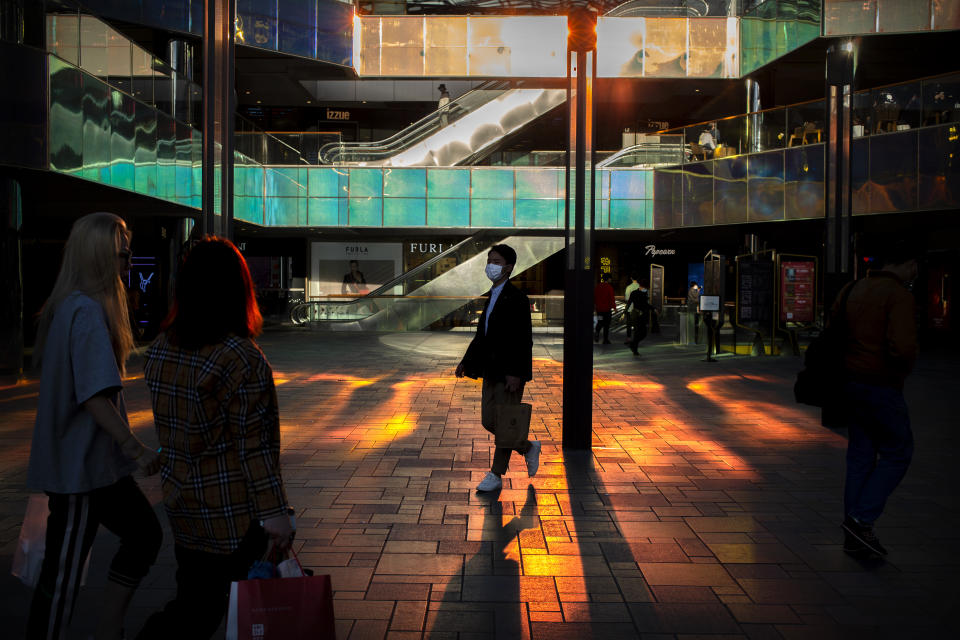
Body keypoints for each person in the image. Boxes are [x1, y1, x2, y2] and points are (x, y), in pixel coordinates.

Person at [138, 237, 292, 639]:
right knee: (203, 613)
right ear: (238, 288)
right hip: (232, 513)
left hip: (183, 503)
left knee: (193, 600)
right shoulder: (241, 358)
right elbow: (255, 449)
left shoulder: (161, 350)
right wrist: (276, 513)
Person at [26, 212, 162, 640]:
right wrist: (135, 448)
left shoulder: (71, 306)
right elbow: (94, 396)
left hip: (96, 469)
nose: (128, 262)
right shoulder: (85, 311)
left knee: (142, 535)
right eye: (123, 254)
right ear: (101, 257)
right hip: (81, 472)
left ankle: (109, 625)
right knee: (62, 576)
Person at [835, 243, 919, 557]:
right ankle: (861, 519)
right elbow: (904, 348)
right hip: (882, 385)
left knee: (859, 457)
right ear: (910, 265)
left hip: (851, 384)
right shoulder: (899, 296)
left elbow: (834, 332)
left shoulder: (851, 289)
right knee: (898, 453)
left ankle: (855, 533)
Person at [455, 244, 540, 493]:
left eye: (497, 261)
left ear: (509, 267)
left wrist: (516, 372)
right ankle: (527, 447)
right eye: (489, 260)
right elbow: (482, 336)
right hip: (491, 369)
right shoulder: (491, 296)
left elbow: (524, 339)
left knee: (504, 421)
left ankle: (496, 474)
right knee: (489, 420)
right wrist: (466, 362)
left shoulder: (517, 299)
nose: (491, 265)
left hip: (510, 371)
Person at [625, 280, 653, 356]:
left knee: (641, 333)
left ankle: (633, 345)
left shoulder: (638, 293)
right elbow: (644, 304)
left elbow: (629, 303)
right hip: (637, 315)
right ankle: (634, 348)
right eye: (646, 287)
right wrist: (653, 308)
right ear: (643, 286)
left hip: (638, 314)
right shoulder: (638, 293)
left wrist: (625, 312)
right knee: (640, 332)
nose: (646, 289)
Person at [593, 274, 615, 344]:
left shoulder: (598, 286)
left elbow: (594, 297)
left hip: (599, 310)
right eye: (610, 278)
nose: (611, 280)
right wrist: (614, 307)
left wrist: (595, 307)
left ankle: (597, 332)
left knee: (600, 322)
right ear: (608, 279)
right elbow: (611, 298)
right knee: (606, 324)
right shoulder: (609, 287)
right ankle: (605, 339)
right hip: (607, 310)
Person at [623, 273, 640, 339]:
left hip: (630, 309)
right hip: (638, 309)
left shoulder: (629, 287)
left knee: (629, 324)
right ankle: (636, 338)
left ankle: (629, 338)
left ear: (631, 278)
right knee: (637, 324)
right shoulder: (640, 287)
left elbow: (627, 299)